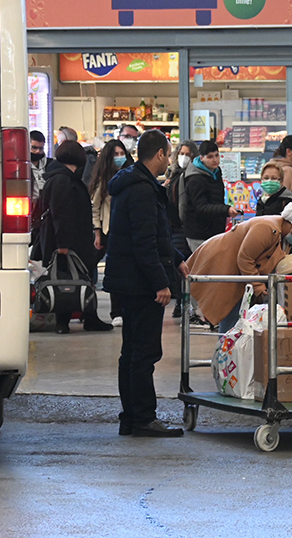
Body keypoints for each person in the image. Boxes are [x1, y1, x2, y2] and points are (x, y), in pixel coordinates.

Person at [103, 129, 188, 438]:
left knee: (132, 352)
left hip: (129, 281)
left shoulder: (135, 184)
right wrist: (160, 284)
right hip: (139, 284)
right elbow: (144, 243)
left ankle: (131, 417)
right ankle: (142, 417)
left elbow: (155, 234)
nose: (172, 158)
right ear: (161, 155)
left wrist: (177, 257)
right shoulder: (141, 189)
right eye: (170, 153)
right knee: (144, 353)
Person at [186, 202, 292, 333]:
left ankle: (233, 351)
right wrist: (258, 286)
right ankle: (227, 352)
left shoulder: (282, 237)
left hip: (240, 273)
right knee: (232, 316)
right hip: (222, 263)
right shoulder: (267, 228)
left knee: (239, 317)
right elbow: (245, 258)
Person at [38, 141, 114, 334]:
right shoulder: (63, 180)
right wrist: (63, 245)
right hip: (69, 242)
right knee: (69, 279)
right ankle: (68, 320)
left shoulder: (60, 178)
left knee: (70, 279)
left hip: (69, 239)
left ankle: (81, 317)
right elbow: (60, 213)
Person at [89, 139, 134, 327]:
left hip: (128, 229)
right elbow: (95, 206)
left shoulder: (132, 175)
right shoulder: (103, 179)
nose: (119, 157)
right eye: (115, 154)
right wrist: (97, 232)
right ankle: (116, 312)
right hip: (109, 230)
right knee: (114, 271)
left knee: (127, 271)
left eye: (121, 153)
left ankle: (127, 310)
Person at [181, 140, 241, 253]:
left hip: (214, 230)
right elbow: (200, 207)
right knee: (203, 266)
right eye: (210, 157)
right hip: (198, 233)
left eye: (217, 155)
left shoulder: (216, 172)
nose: (215, 160)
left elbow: (216, 200)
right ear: (202, 158)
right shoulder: (195, 178)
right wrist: (225, 210)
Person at [165, 140, 199, 318]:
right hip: (173, 227)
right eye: (182, 153)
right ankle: (180, 302)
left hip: (184, 226)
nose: (184, 158)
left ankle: (185, 303)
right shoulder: (173, 175)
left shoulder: (192, 177)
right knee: (177, 266)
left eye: (188, 154)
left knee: (185, 265)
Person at [30, 130, 52, 202]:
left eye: (41, 148)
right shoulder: (21, 167)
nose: (38, 151)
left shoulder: (50, 164)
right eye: (34, 148)